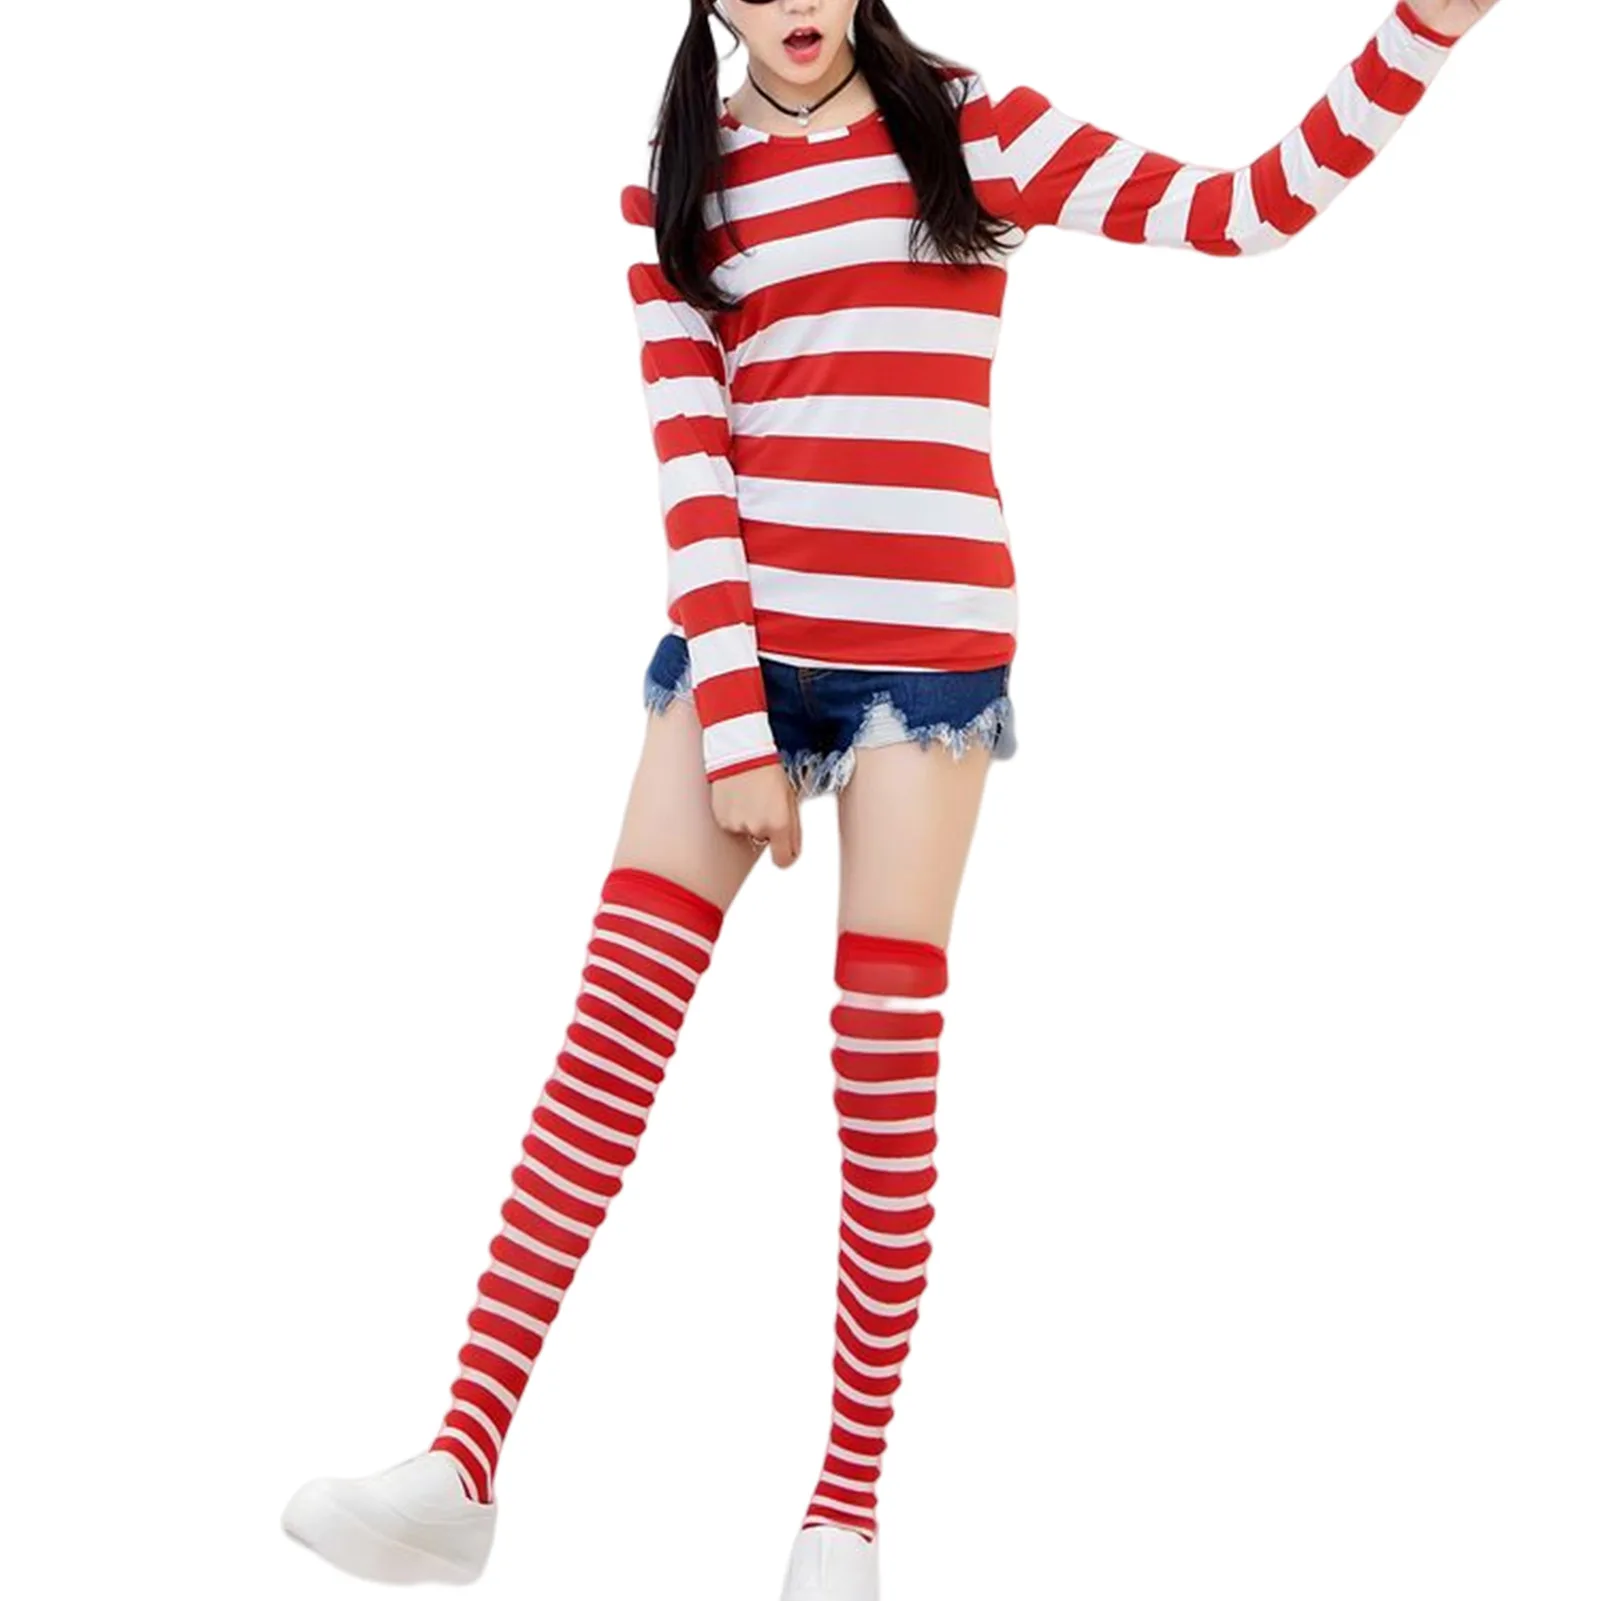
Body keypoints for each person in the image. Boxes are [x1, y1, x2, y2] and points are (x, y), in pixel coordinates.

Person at [280, 2, 1496, 1596]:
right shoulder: (681, 169)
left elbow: (1247, 207)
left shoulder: (972, 125)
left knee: (882, 1068)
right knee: (607, 1044)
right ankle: (461, 1462)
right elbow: (691, 455)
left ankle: (842, 1514)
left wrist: (1425, 26)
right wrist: (733, 724)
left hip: (928, 663)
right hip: (744, 646)